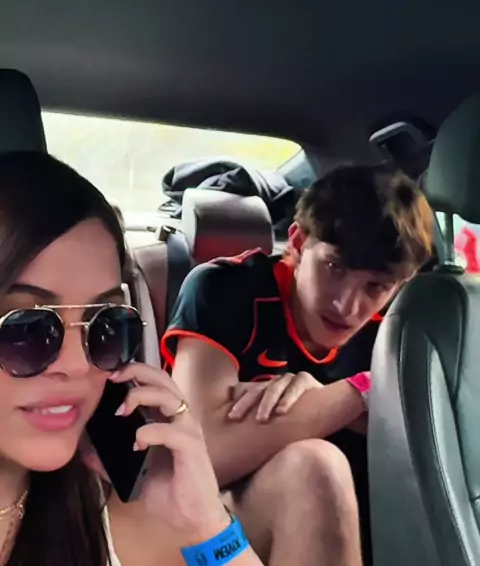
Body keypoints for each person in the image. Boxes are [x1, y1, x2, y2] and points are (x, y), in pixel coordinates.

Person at [0, 150, 266, 566]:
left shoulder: (119, 516)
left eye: (104, 326)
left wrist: (205, 524)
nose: (78, 364)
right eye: (28, 328)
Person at [162, 165, 435, 566]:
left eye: (376, 286)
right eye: (334, 267)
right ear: (298, 241)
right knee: (314, 468)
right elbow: (203, 459)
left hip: (365, 532)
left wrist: (311, 403)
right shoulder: (226, 289)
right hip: (212, 522)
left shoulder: (403, 328)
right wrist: (359, 394)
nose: (347, 305)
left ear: (401, 285)